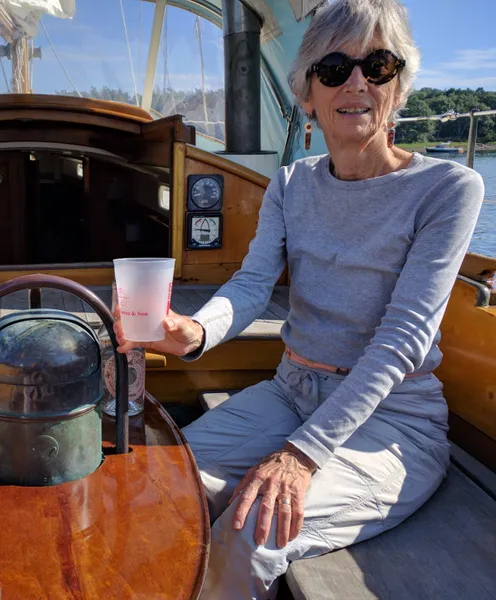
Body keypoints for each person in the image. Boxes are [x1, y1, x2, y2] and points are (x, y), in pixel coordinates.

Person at [115, 0, 485, 598]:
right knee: (157, 482)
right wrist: (195, 333)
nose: (357, 82)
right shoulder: (291, 183)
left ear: (399, 86)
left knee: (254, 530)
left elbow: (403, 339)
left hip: (394, 422)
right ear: (308, 94)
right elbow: (252, 285)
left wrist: (301, 455)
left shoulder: (448, 188)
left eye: (378, 65)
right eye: (335, 68)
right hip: (292, 393)